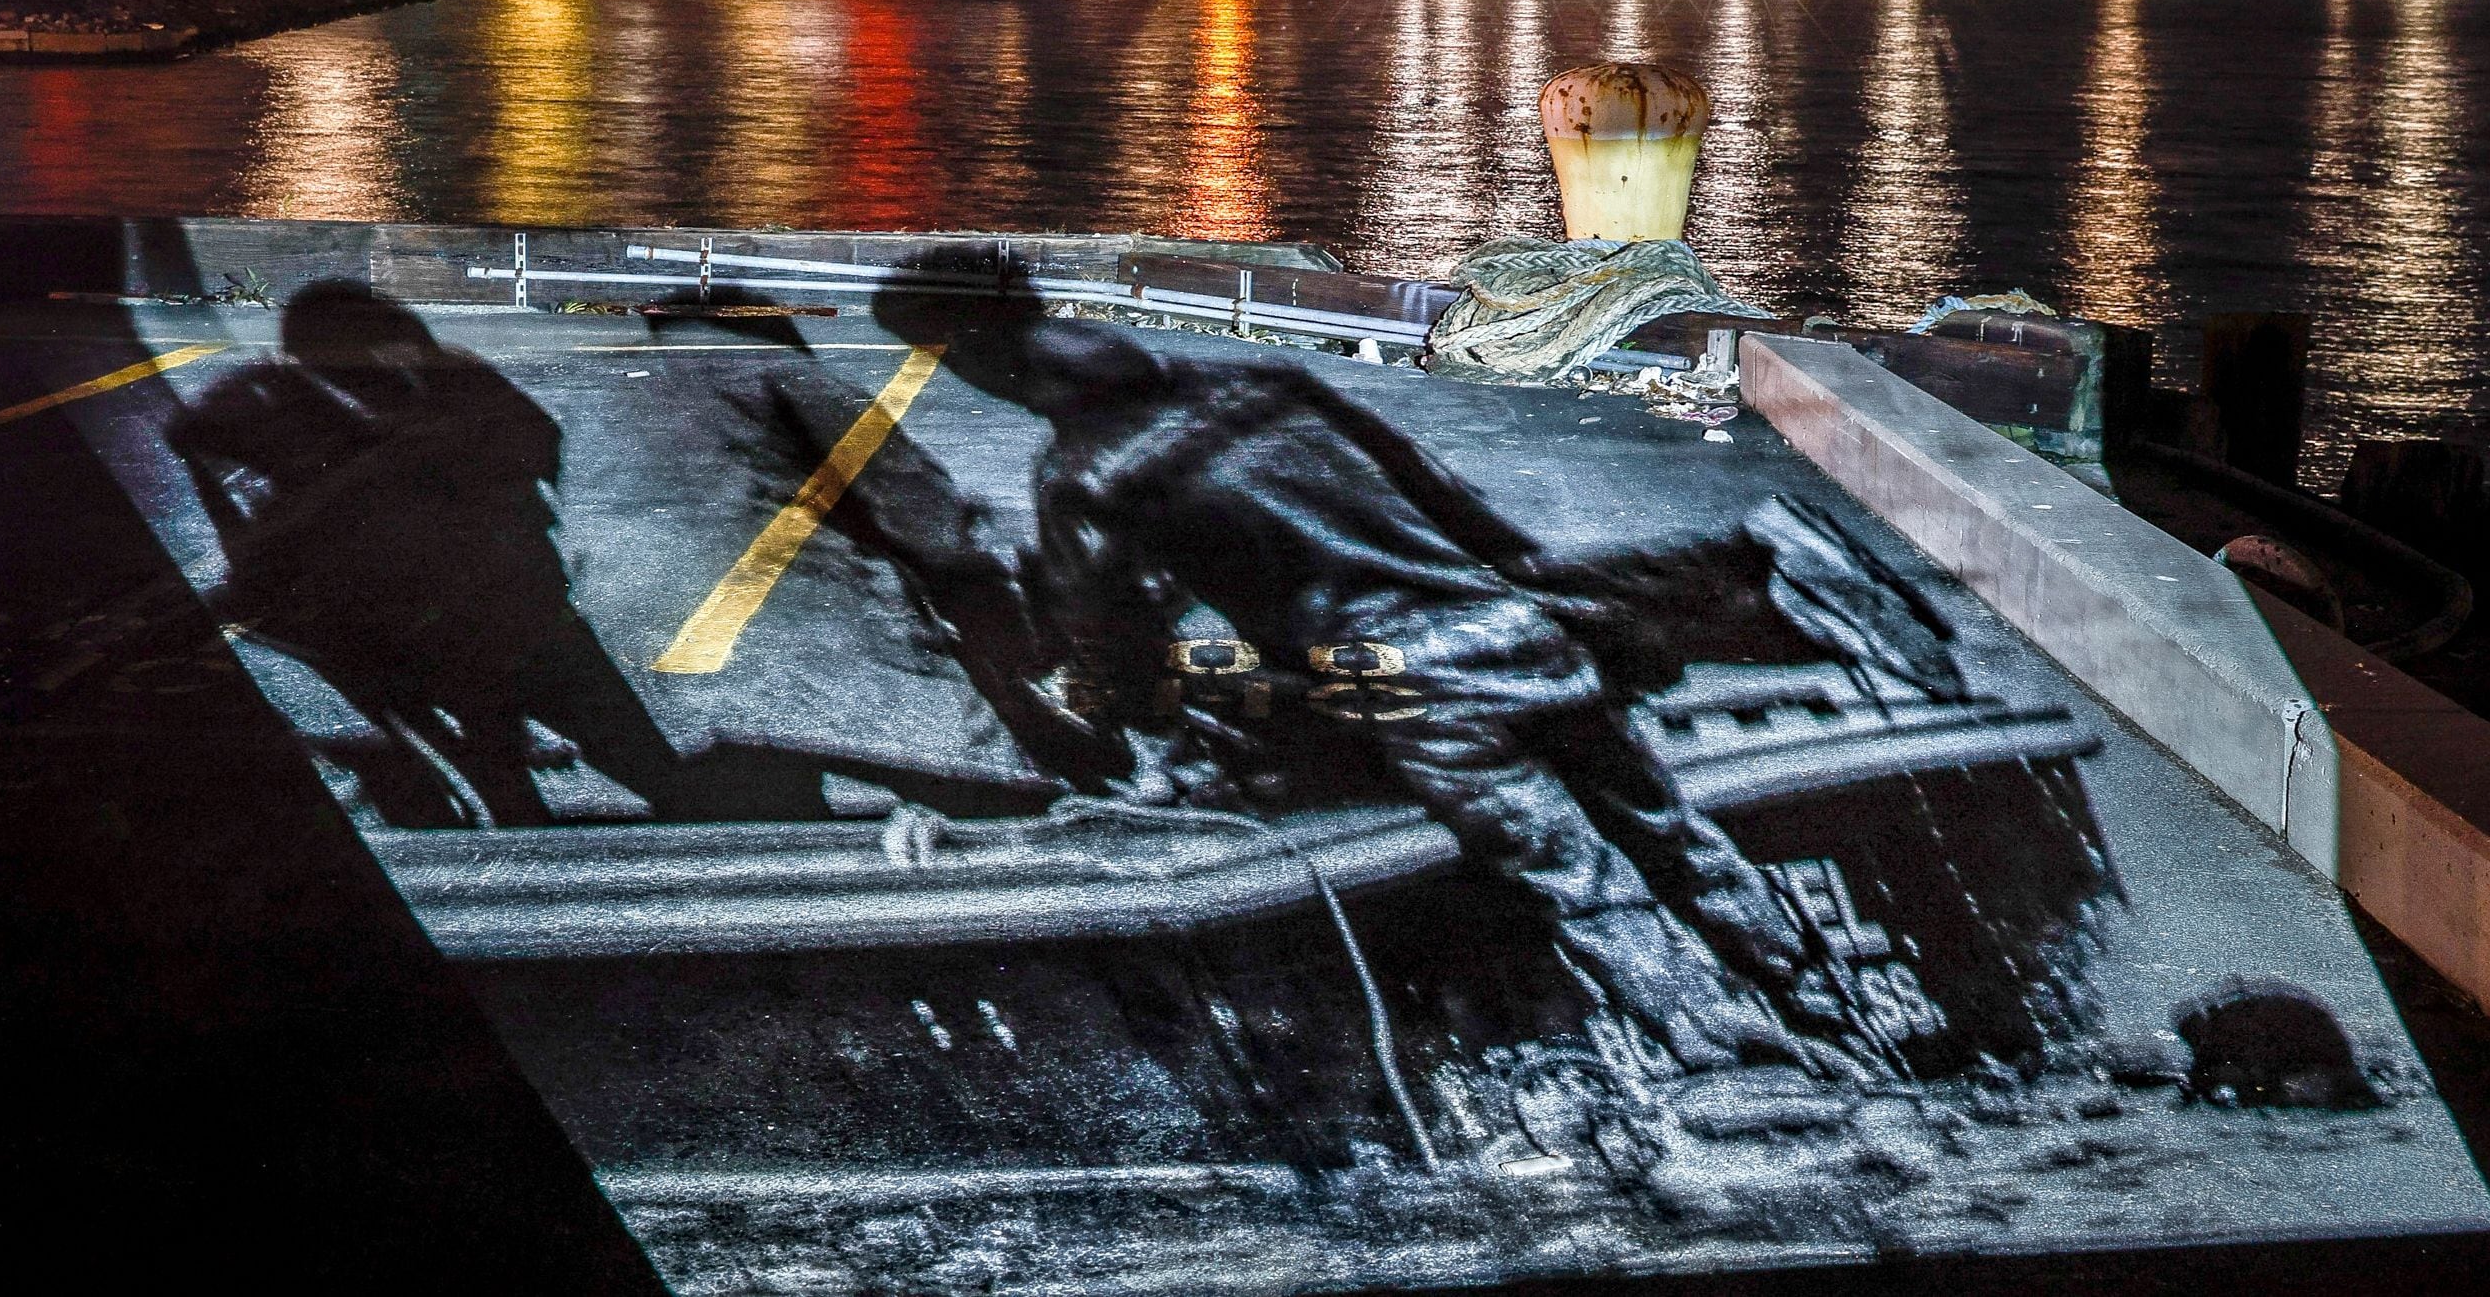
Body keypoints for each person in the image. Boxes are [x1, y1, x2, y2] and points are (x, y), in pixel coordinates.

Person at [868, 255, 1958, 1076]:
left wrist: (1137, 746)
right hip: (1521, 638)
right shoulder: (1264, 389)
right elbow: (1457, 508)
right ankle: (1858, 1026)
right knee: (1677, 838)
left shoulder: (1085, 476)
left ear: (982, 357)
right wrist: (1560, 605)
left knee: (1582, 884)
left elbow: (1110, 646)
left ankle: (1747, 1067)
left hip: (1406, 685)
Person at [166, 282, 692, 828]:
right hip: (419, 622)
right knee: (531, 760)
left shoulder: (435, 383)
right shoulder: (262, 407)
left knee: (622, 755)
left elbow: (535, 441)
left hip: (498, 607)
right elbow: (248, 522)